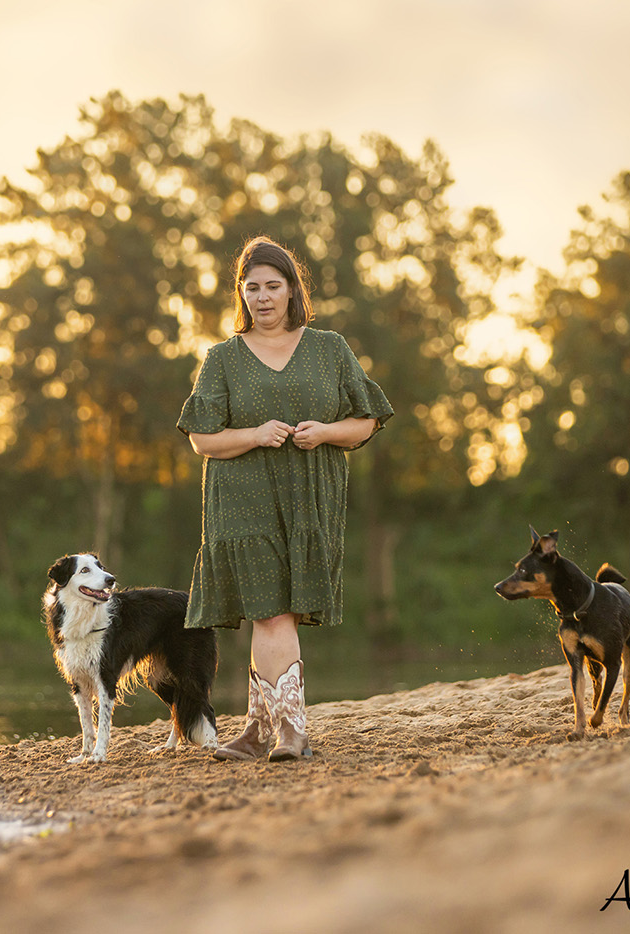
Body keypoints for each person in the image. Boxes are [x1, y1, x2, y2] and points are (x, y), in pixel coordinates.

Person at [177, 236, 393, 762]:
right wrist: (253, 434)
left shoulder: (329, 348)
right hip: (241, 503)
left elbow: (366, 422)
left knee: (277, 616)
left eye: (273, 286)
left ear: (293, 290)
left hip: (308, 500)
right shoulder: (222, 358)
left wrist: (324, 432)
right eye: (252, 288)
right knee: (269, 614)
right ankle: (290, 731)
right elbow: (202, 439)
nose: (263, 297)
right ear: (241, 295)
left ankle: (255, 730)